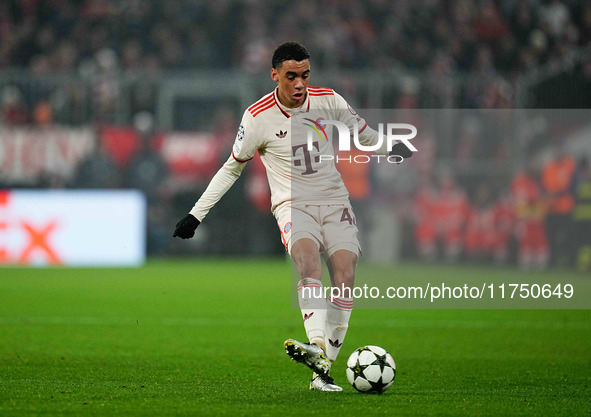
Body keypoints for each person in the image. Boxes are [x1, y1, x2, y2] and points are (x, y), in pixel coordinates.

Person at [172, 42, 412, 391]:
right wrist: (196, 215)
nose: (300, 84)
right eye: (291, 76)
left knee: (345, 274)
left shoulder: (328, 100)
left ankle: (321, 371)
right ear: (275, 76)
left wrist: (393, 146)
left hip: (334, 200)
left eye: (305, 75)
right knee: (308, 264)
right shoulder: (257, 117)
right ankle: (316, 345)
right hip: (292, 204)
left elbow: (365, 135)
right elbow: (231, 169)